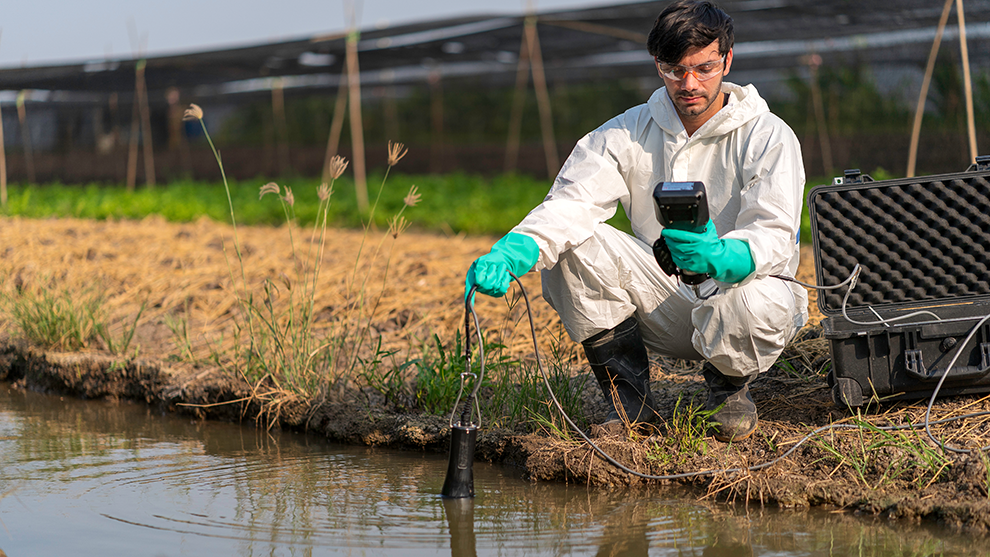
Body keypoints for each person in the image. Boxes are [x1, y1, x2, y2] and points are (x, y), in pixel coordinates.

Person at [465, 0, 808, 442]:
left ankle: (729, 390)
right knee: (576, 247)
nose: (689, 84)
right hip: (669, 298)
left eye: (704, 68)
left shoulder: (768, 135)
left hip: (744, 301)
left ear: (727, 59)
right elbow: (572, 203)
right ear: (656, 64)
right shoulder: (626, 132)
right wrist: (515, 250)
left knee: (747, 302)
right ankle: (630, 402)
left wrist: (726, 256)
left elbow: (775, 232)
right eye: (674, 69)